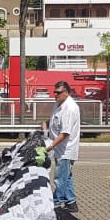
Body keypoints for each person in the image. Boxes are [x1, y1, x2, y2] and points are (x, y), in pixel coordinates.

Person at [43, 81, 81, 212]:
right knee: (66, 176)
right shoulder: (58, 104)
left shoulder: (69, 108)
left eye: (58, 92)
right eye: (55, 92)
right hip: (59, 148)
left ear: (66, 93)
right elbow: (55, 120)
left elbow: (65, 133)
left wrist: (51, 146)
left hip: (66, 149)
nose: (55, 95)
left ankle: (57, 203)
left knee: (60, 178)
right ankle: (71, 202)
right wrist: (46, 124)